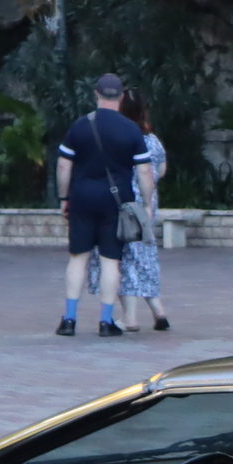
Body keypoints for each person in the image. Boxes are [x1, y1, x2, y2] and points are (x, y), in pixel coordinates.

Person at [54, 74, 149, 336]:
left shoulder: (80, 125)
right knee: (110, 262)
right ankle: (106, 322)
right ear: (120, 97)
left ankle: (69, 319)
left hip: (82, 200)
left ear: (96, 94)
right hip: (115, 205)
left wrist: (64, 198)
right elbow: (145, 174)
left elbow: (63, 165)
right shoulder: (131, 130)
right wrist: (148, 205)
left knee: (77, 259)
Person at [89, 92, 171, 331]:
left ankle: (130, 318)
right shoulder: (152, 139)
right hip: (147, 206)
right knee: (144, 258)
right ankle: (158, 311)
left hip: (123, 204)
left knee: (122, 259)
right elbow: (162, 170)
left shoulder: (121, 137)